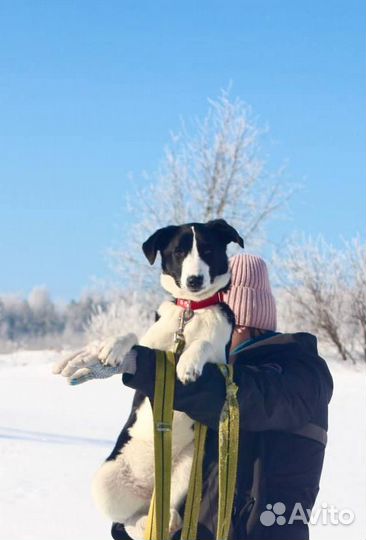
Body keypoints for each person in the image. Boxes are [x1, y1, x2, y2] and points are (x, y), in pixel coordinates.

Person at [108, 253, 333, 540]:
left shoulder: (301, 373)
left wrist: (149, 368)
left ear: (236, 323)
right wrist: (131, 523)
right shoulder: (195, 380)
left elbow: (240, 399)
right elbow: (143, 460)